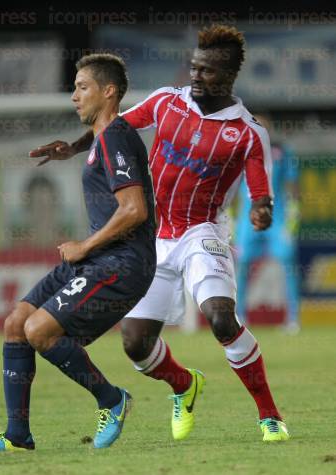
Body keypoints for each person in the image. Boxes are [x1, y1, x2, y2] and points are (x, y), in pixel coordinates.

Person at [30, 24, 289, 442]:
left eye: (206, 71)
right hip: (150, 237)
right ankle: (185, 386)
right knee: (135, 344)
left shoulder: (247, 131)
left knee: (221, 319)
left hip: (201, 231)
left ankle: (269, 417)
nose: (196, 76)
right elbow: (115, 130)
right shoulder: (167, 101)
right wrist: (73, 147)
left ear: (228, 76)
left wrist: (261, 210)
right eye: (194, 67)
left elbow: (261, 192)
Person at [0, 53, 156, 452]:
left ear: (109, 92)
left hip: (122, 264)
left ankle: (112, 400)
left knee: (39, 330)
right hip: (99, 259)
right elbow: (103, 142)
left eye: (82, 87)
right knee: (17, 322)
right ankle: (18, 436)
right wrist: (72, 149)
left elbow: (135, 210)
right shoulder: (105, 136)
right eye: (74, 87)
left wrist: (84, 245)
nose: (73, 96)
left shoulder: (118, 137)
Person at [235, 114, 300, 333]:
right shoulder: (239, 151)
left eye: (263, 126)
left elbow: (293, 187)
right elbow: (230, 188)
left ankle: (292, 318)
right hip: (247, 220)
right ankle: (240, 318)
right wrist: (229, 220)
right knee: (241, 267)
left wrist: (292, 221)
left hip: (278, 219)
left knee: (288, 266)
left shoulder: (281, 152)